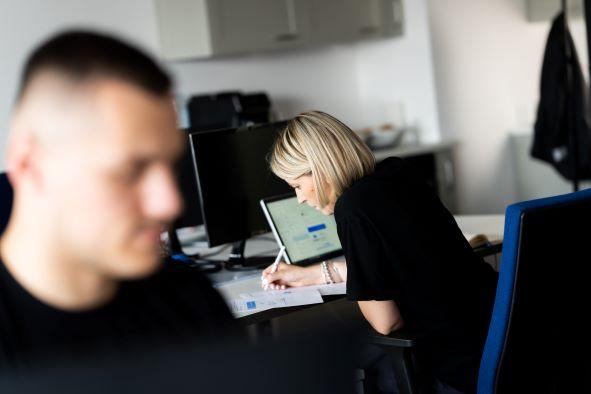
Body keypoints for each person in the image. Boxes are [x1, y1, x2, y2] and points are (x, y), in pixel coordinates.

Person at [0, 31, 237, 370]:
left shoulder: (190, 299)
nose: (169, 203)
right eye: (130, 170)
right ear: (29, 165)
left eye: (170, 165)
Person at [262, 111, 498, 393]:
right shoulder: (397, 175)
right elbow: (408, 266)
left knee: (322, 356)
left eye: (298, 186)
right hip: (499, 338)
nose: (299, 198)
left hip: (461, 366)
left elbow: (386, 322)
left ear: (320, 169)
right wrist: (317, 274)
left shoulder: (353, 209)